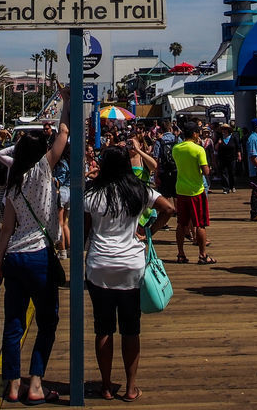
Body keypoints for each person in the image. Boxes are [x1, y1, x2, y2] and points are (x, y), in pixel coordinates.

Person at [0, 95, 70, 405]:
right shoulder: (41, 172)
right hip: (39, 255)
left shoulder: (14, 184)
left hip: (13, 256)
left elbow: (6, 229)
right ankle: (35, 382)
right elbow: (63, 134)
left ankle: (11, 384)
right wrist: (66, 101)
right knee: (48, 320)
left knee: (13, 323)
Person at [83, 146, 173, 402]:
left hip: (99, 264)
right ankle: (131, 387)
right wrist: (147, 231)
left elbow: (85, 228)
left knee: (103, 328)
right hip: (131, 265)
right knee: (131, 329)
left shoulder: (94, 193)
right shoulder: (140, 190)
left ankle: (107, 385)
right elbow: (168, 209)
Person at [172, 121, 214, 265]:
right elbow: (206, 171)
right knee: (200, 224)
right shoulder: (198, 149)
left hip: (181, 189)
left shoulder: (176, 148)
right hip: (196, 190)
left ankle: (181, 254)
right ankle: (203, 255)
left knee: (181, 223)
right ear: (195, 133)